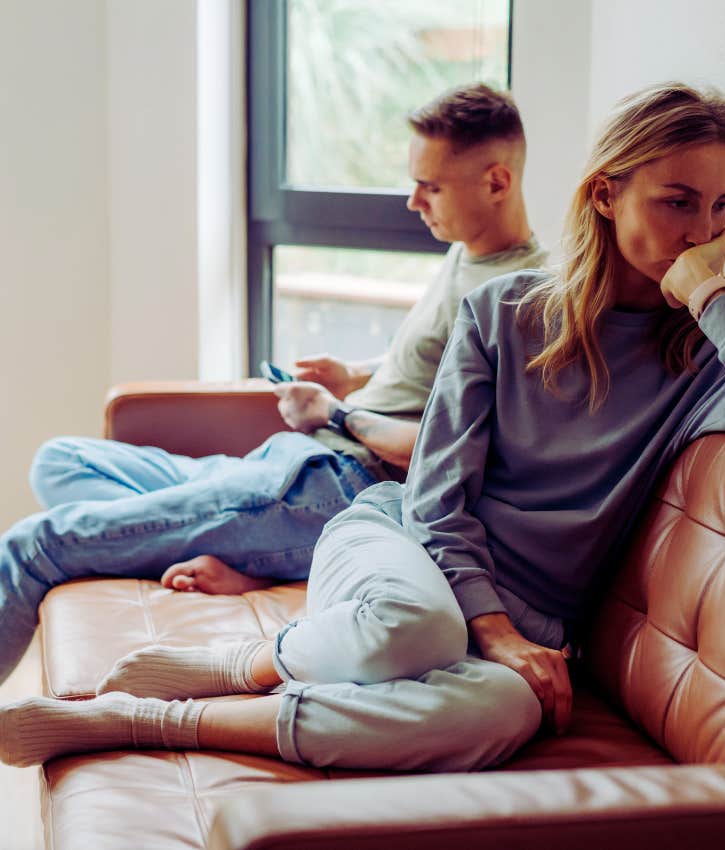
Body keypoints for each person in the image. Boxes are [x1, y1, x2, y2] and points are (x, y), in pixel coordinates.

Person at [1, 82, 725, 772]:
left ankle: (153, 719)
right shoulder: (503, 313)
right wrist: (496, 630)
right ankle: (239, 665)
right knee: (423, 626)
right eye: (678, 202)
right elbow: (435, 499)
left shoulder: (699, 361)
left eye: (724, 207)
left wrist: (711, 295)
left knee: (506, 712)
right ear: (606, 194)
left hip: (522, 629)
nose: (704, 233)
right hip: (402, 544)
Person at [0, 83, 545, 686]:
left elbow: (447, 456)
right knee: (60, 460)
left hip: (338, 487)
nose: (413, 202)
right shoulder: (469, 251)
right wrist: (355, 374)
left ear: (497, 182)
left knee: (34, 544)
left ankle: (227, 540)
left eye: (431, 186)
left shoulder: (518, 299)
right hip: (294, 466)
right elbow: (429, 370)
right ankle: (225, 545)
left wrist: (335, 413)